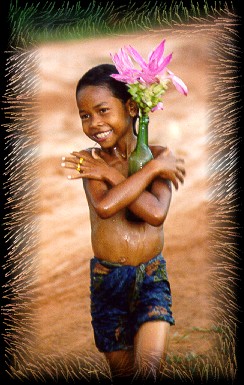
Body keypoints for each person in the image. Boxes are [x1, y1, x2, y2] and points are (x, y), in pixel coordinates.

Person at [61, 64, 185, 381]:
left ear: (131, 107)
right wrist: (148, 170)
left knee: (147, 372)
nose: (94, 123)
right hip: (107, 282)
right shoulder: (92, 162)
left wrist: (122, 172)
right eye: (84, 115)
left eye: (102, 110)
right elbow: (105, 206)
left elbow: (156, 213)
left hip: (150, 279)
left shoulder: (159, 155)